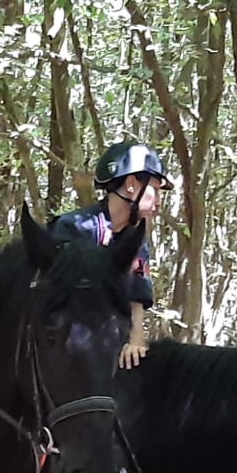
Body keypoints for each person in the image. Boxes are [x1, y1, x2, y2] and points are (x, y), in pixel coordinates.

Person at [50, 141, 166, 367]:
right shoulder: (72, 229)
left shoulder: (135, 240)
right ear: (131, 184)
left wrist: (135, 343)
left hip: (105, 348)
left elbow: (136, 299)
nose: (159, 202)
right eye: (155, 189)